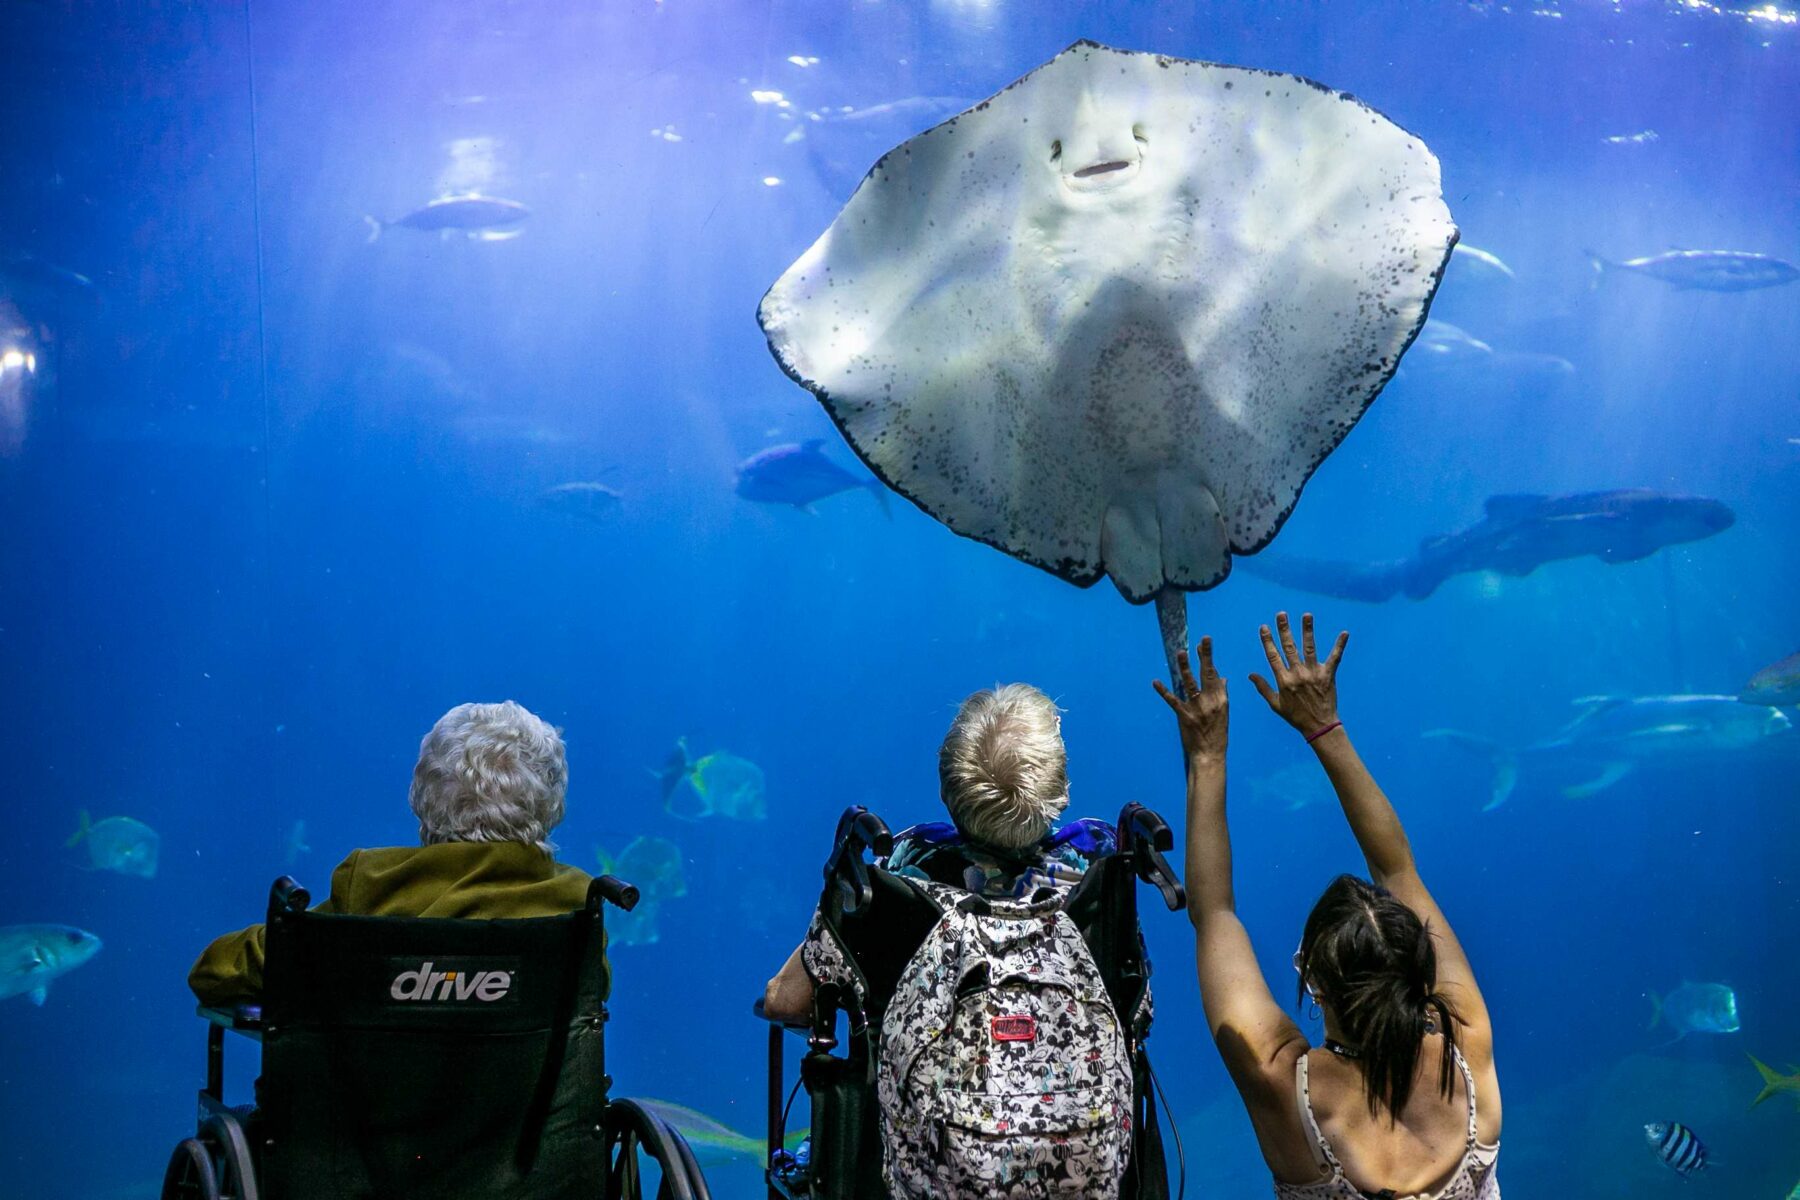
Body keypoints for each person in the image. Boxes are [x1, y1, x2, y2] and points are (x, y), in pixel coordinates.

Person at [1152, 613, 1500, 1198]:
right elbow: (1397, 869)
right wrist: (1324, 727)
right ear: (1423, 967)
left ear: (1311, 980)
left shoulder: (1284, 1089)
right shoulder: (1467, 1047)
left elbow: (1212, 913)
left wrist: (1207, 756)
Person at [189, 700, 600, 1006]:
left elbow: (215, 971)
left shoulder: (372, 886)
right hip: (525, 1123)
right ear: (552, 806)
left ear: (421, 798)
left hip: (367, 1123)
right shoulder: (576, 906)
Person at [762, 682, 1110, 1021]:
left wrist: (836, 900)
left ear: (945, 792)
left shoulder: (911, 867)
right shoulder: (1095, 867)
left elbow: (784, 1002)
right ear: (1061, 791)